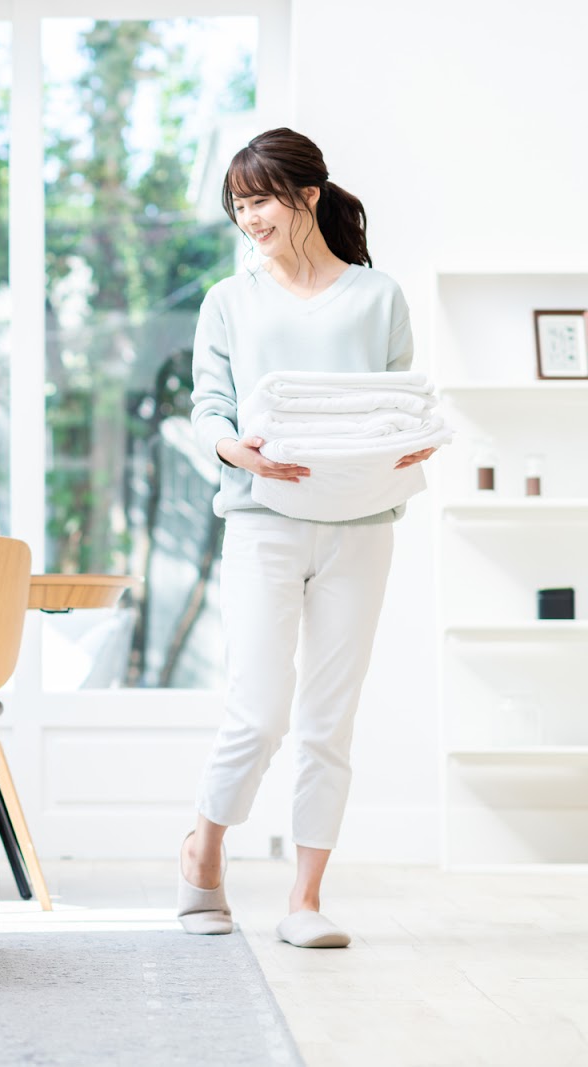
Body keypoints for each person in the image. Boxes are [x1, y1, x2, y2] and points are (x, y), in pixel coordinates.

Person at [178, 128, 435, 949]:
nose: (249, 218)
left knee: (330, 721)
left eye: (261, 200)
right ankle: (204, 849)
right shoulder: (229, 300)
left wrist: (413, 436)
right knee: (257, 712)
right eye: (239, 205)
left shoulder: (377, 295)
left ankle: (305, 898)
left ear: (308, 196)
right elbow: (207, 407)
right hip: (261, 524)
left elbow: (400, 399)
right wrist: (233, 447)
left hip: (361, 524)